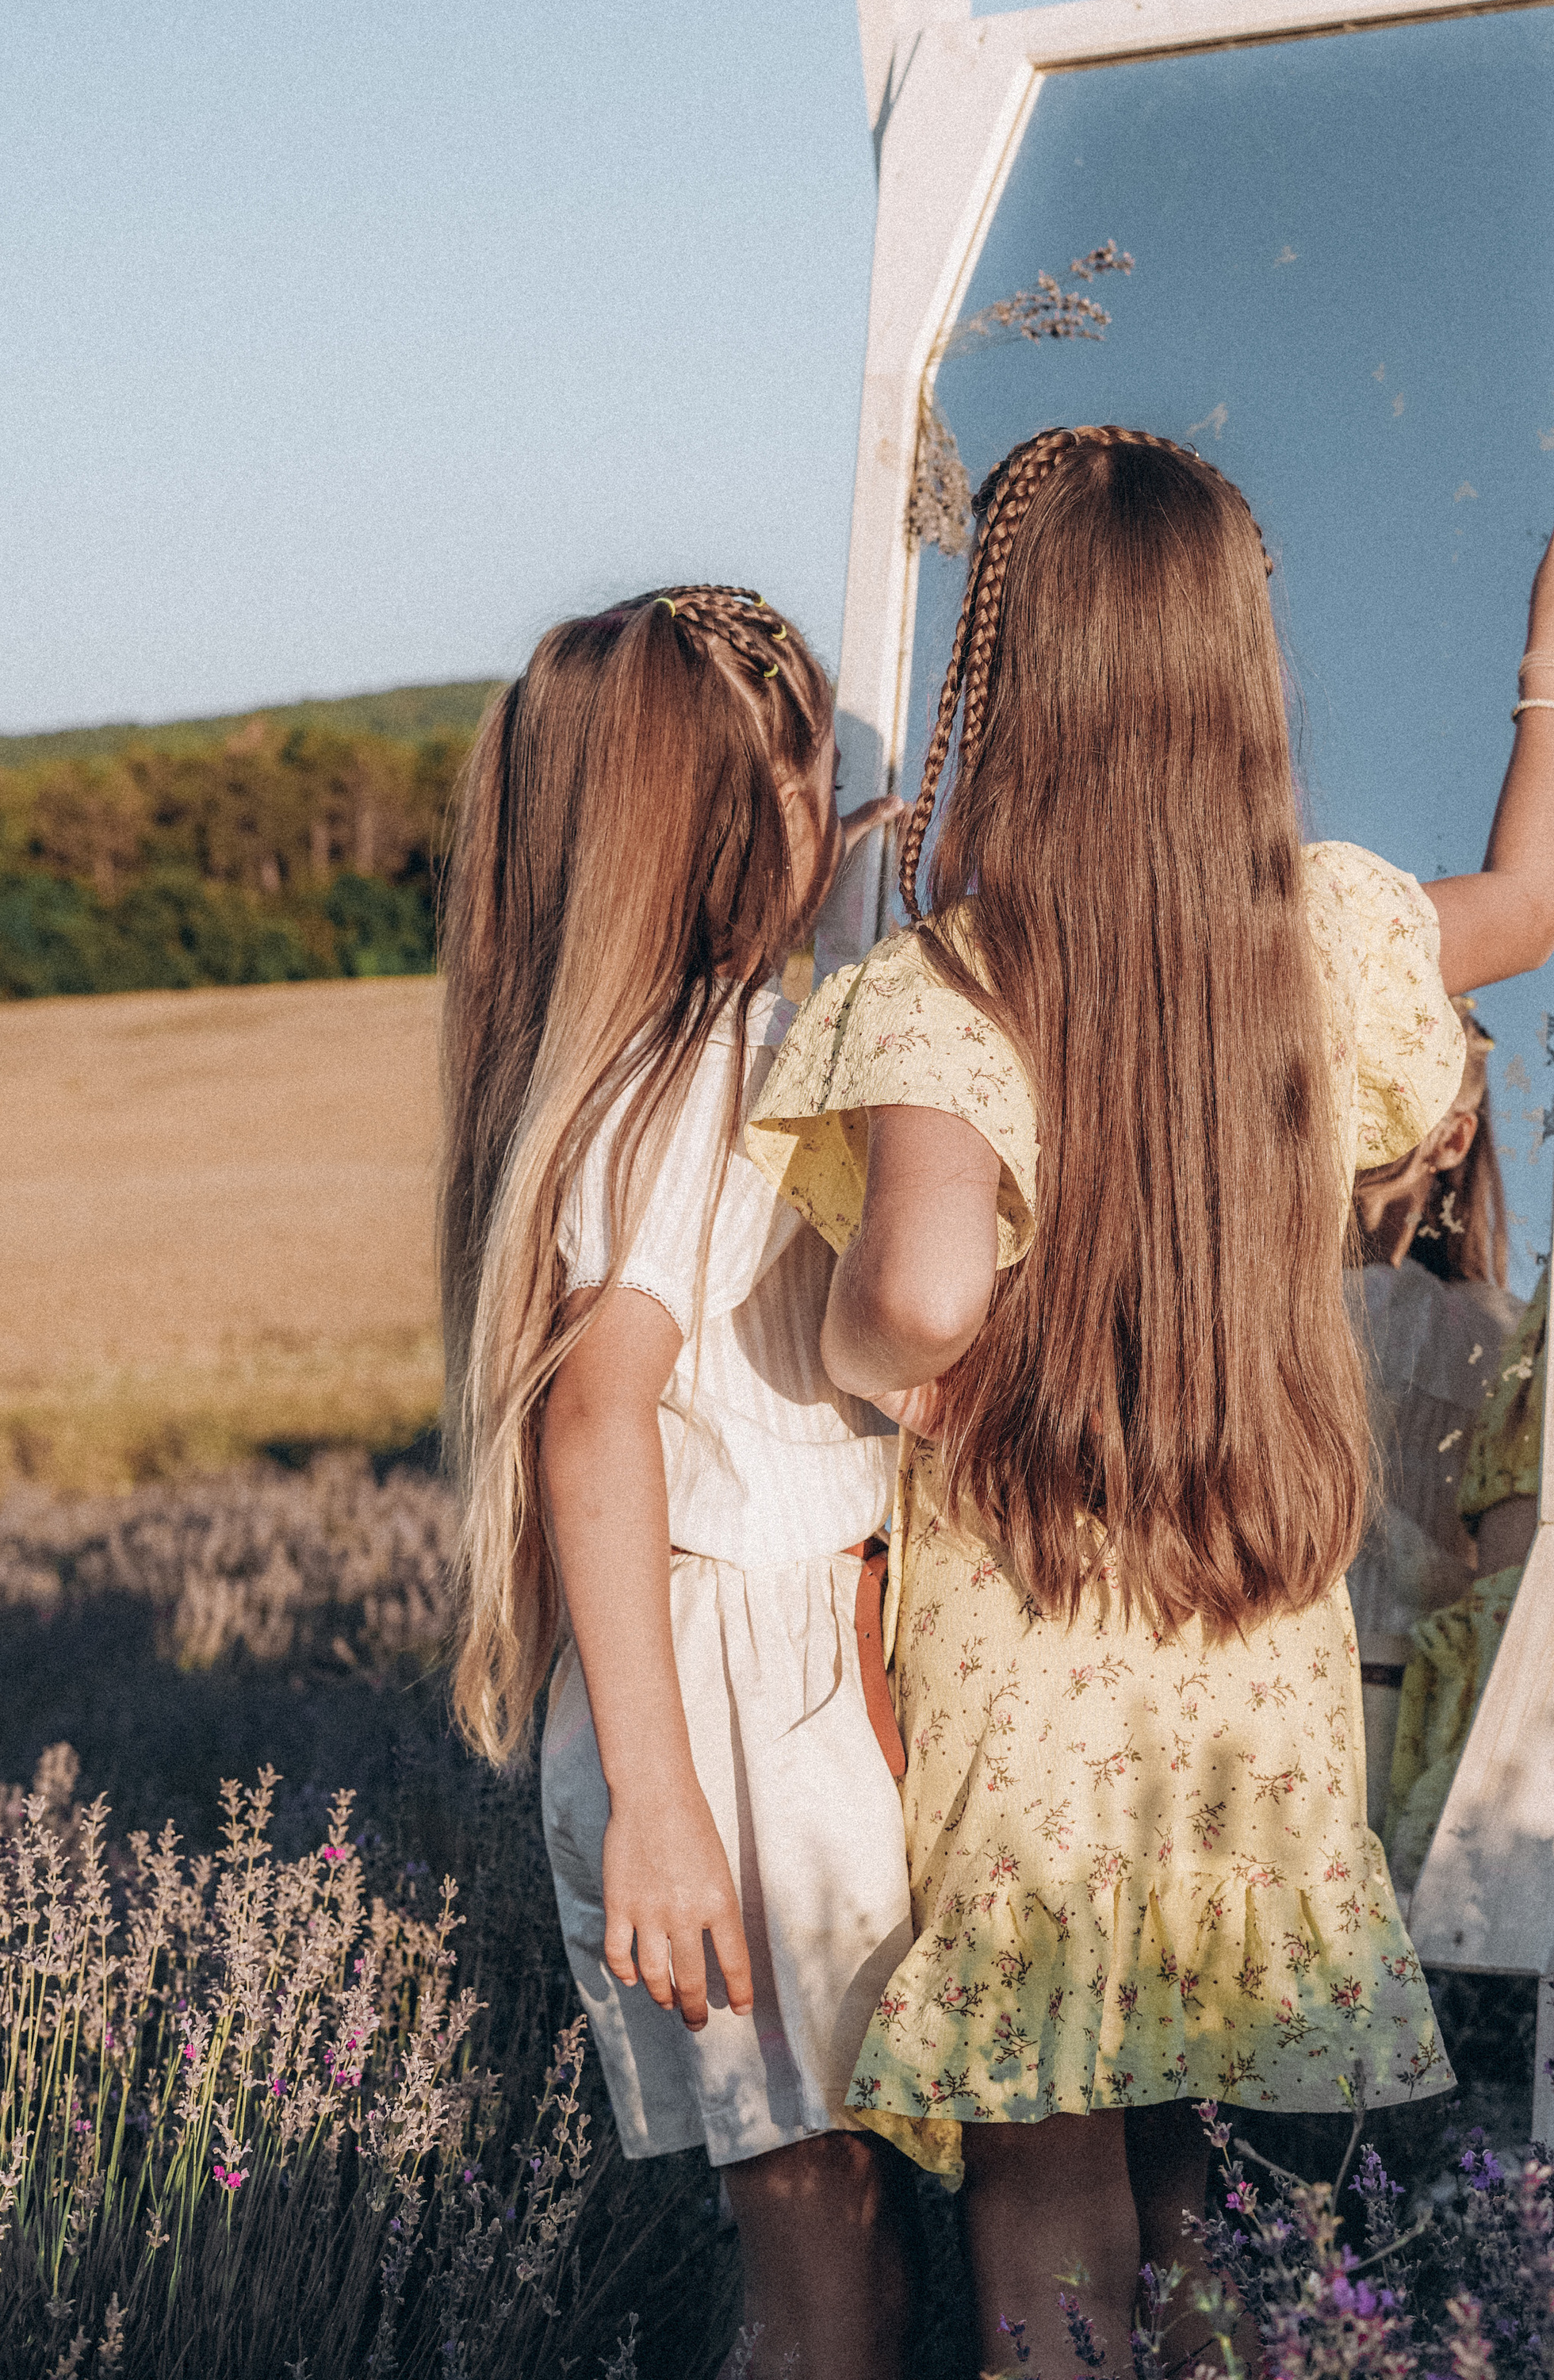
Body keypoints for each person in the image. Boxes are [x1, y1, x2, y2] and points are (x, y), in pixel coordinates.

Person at [747, 426, 1554, 2376]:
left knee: (1049, 2144)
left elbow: (910, 1290)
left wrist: (853, 1359)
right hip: (1250, 1636)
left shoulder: (947, 989)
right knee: (1190, 2148)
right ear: (1233, 677)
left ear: (1006, 681)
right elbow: (1518, 895)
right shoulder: (1312, 940)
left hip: (1027, 1637)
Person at [439, 584, 914, 2380]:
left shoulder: (691, 1045)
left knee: (833, 2231)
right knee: (824, 2262)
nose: (829, 803)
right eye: (803, 770)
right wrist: (657, 1795)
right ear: (717, 813)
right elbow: (594, 1415)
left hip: (752, 1682)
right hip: (725, 1707)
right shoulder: (704, 1061)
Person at [1345, 1004, 1525, 1833]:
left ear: (1453, 1141)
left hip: (1397, 1720)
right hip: (1250, 1718)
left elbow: (1516, 1596)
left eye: (1383, 1104)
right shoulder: (1494, 1331)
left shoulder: (1487, 1332)